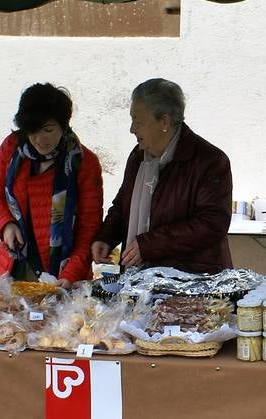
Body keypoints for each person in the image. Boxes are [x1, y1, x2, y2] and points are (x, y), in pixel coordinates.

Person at [91, 78, 232, 273]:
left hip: (191, 281)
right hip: (139, 280)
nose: (132, 129)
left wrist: (149, 245)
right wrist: (105, 238)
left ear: (164, 121)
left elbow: (212, 224)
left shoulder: (210, 161)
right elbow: (123, 206)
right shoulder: (138, 157)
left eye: (138, 122)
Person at [0, 83, 103, 286]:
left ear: (64, 125)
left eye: (48, 129)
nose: (40, 139)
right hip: (14, 265)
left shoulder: (83, 162)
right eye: (32, 130)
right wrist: (6, 225)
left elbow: (89, 228)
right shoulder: (12, 148)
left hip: (64, 272)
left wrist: (70, 275)